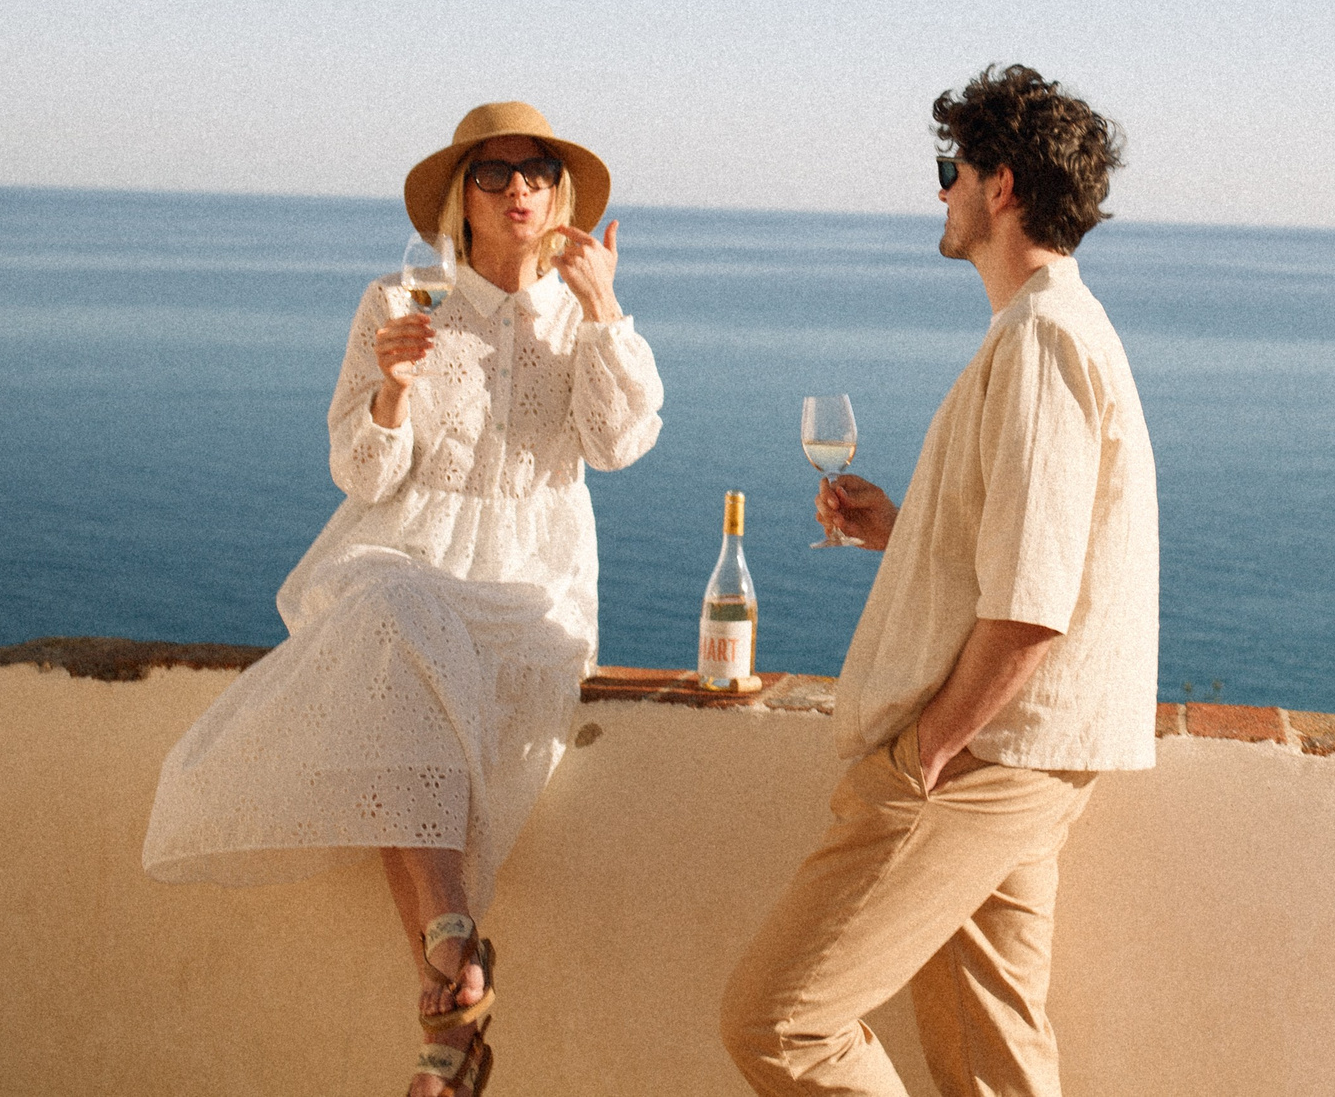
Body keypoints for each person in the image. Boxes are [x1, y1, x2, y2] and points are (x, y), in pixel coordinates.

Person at [143, 102, 663, 1097]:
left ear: (560, 197)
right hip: (403, 553)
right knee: (391, 619)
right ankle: (452, 946)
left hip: (531, 575)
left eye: (538, 170)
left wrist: (604, 311)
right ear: (460, 200)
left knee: (413, 674)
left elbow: (619, 445)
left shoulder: (582, 316)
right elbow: (361, 471)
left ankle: (455, 1019)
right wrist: (389, 390)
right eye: (493, 172)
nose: (517, 188)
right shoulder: (397, 297)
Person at [720, 64, 1158, 1097]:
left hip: (982, 758)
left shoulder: (1044, 338)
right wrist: (905, 533)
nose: (940, 193)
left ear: (999, 186)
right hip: (1028, 753)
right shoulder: (1055, 328)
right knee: (990, 1058)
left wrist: (927, 751)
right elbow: (1033, 551)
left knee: (780, 1022)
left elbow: (1033, 603)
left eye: (948, 168)